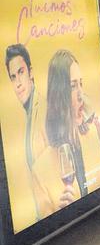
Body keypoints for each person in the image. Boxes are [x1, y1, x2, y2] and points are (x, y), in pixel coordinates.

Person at [43, 49, 100, 210]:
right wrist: (60, 213)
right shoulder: (41, 170)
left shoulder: (94, 138)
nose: (81, 94)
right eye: (73, 86)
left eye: (81, 84)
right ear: (58, 94)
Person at [5, 44, 52, 218]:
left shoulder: (44, 111)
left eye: (21, 72)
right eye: (13, 77)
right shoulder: (30, 114)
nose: (18, 83)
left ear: (31, 72)